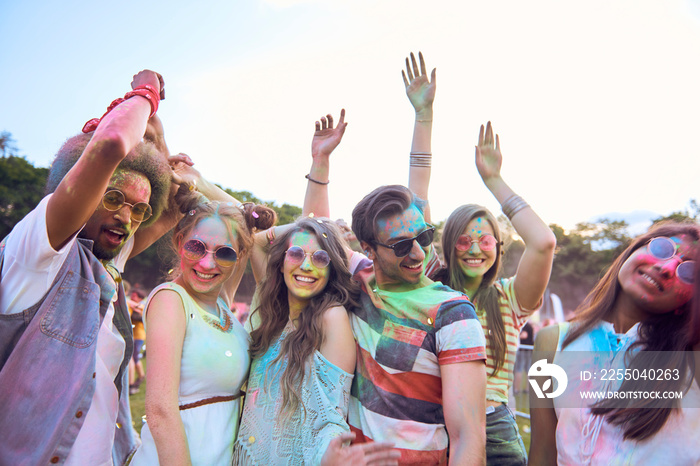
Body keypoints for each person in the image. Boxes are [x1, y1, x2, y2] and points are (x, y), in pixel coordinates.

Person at [0, 70, 176, 465]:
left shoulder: (103, 268)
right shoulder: (39, 253)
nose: (126, 218)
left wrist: (159, 141)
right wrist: (145, 93)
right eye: (113, 197)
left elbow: (177, 205)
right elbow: (112, 142)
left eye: (138, 209)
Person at [403, 51, 556, 465]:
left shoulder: (510, 299)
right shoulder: (429, 286)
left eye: (485, 240)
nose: (474, 248)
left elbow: (542, 242)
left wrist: (494, 180)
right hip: (428, 421)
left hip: (493, 427)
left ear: (498, 248)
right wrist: (424, 118)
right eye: (464, 239)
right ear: (448, 244)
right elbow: (416, 199)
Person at [234, 111, 399, 465]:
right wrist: (318, 168)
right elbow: (259, 241)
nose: (307, 265)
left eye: (320, 259)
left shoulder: (331, 316)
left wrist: (329, 456)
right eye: (296, 254)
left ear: (331, 270)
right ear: (282, 261)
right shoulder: (271, 305)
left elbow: (329, 410)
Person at [529, 222, 700, 465]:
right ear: (634, 250)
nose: (667, 267)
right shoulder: (552, 342)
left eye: (690, 272)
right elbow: (543, 453)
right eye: (662, 249)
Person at [130, 184, 275, 465]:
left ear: (240, 257)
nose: (208, 264)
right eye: (196, 247)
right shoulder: (171, 300)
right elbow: (160, 409)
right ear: (179, 240)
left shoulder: (222, 301)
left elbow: (266, 238)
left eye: (225, 253)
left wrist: (207, 188)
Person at [348, 184, 488, 465]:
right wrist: (320, 162)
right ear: (368, 249)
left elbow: (469, 437)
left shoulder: (452, 313)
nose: (419, 254)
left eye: (424, 236)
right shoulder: (359, 278)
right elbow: (302, 234)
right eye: (400, 245)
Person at [128, 286, 147, 395]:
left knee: (135, 358)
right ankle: (140, 376)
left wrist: (135, 308)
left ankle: (141, 376)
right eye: (132, 295)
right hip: (132, 336)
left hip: (139, 336)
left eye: (135, 296)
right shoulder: (131, 305)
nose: (132, 297)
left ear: (140, 298)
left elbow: (139, 317)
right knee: (134, 358)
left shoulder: (142, 306)